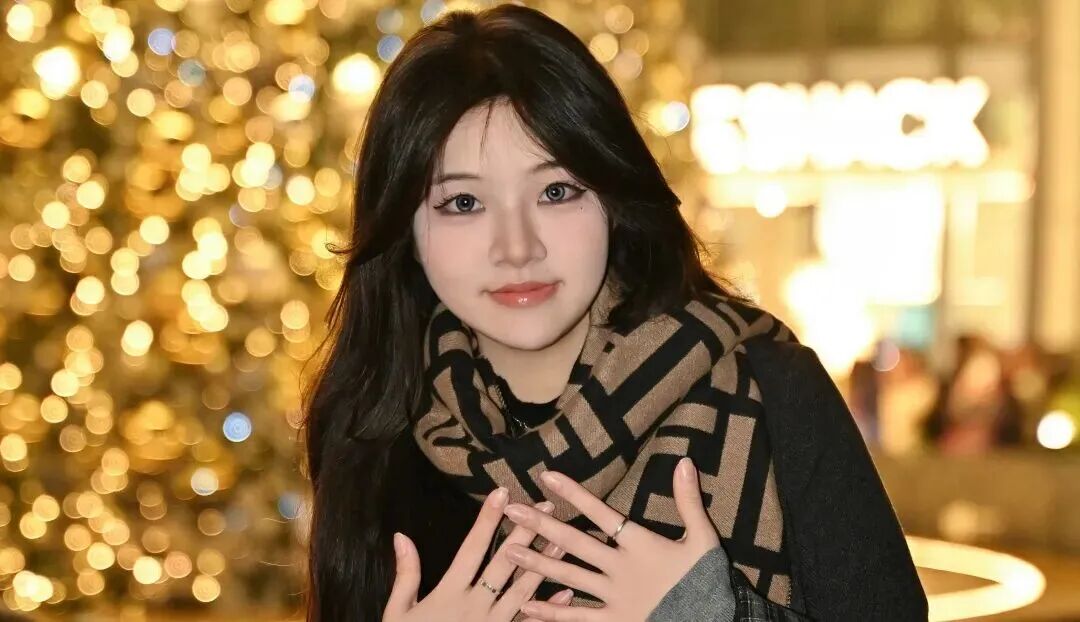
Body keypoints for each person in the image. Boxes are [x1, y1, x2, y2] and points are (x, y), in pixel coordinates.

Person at [301, 5, 926, 621]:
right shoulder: (373, 430)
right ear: (406, 232)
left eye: (556, 191)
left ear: (612, 198)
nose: (516, 248)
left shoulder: (775, 387)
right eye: (463, 202)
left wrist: (711, 614)